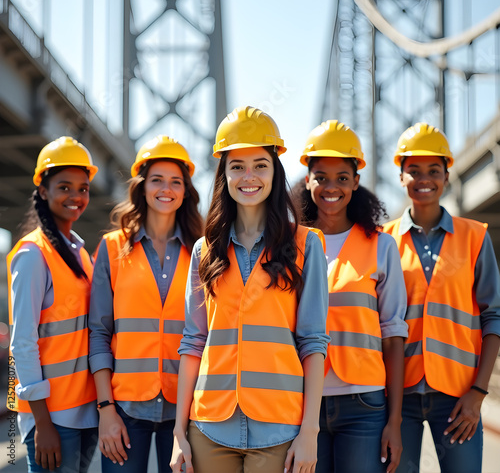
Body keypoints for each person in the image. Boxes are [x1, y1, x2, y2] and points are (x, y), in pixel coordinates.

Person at [170, 106, 330, 473]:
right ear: (223, 174)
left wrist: (310, 432)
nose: (249, 176)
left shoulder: (307, 245)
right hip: (210, 427)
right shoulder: (203, 250)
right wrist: (180, 432)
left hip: (279, 428)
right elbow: (193, 341)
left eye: (260, 164)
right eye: (237, 166)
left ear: (275, 171)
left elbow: (313, 342)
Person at [383, 123, 500, 473]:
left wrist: (477, 394)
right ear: (401, 176)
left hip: (457, 396)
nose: (424, 179)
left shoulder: (475, 238)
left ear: (447, 176)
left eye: (434, 170)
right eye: (413, 170)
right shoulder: (382, 241)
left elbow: (493, 316)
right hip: (396, 398)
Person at [294, 120, 408, 473]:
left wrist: (395, 420)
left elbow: (393, 334)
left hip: (364, 404)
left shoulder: (381, 246)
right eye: (321, 177)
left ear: (356, 182)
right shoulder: (288, 245)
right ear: (307, 180)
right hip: (299, 401)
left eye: (342, 177)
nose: (332, 187)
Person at [88, 135, 203, 472]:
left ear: (185, 191)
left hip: (187, 411)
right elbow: (98, 332)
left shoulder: (203, 250)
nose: (166, 188)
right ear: (142, 186)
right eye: (157, 180)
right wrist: (105, 409)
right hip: (125, 410)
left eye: (175, 182)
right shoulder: (111, 248)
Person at [7, 136, 99, 472]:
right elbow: (23, 342)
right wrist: (42, 424)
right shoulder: (33, 254)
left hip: (85, 410)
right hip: (53, 418)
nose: (76, 196)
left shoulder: (81, 254)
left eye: (83, 188)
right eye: (64, 187)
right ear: (43, 191)